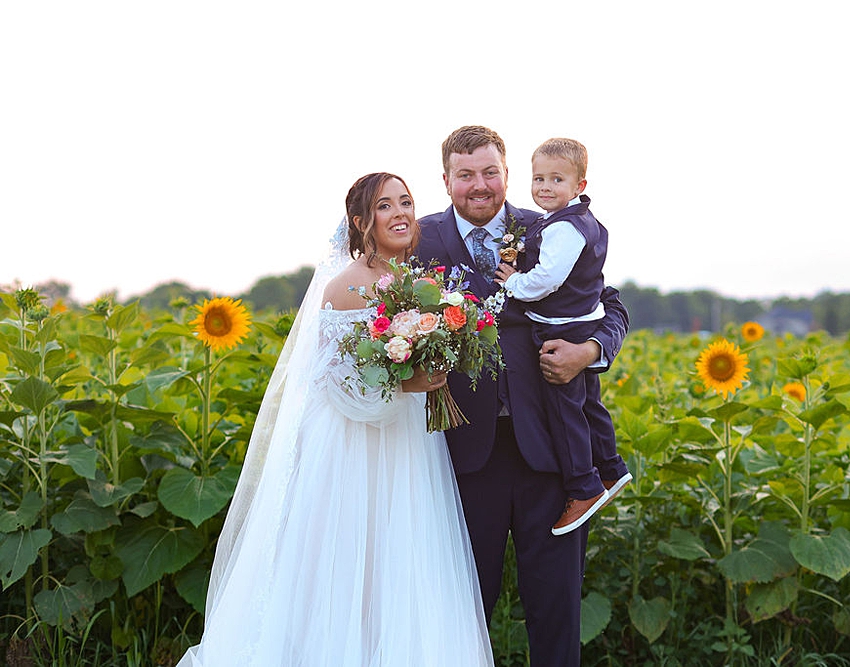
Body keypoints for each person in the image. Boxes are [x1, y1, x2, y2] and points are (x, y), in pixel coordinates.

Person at [177, 173, 494, 667]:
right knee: (348, 563)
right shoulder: (345, 286)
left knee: (401, 559)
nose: (401, 214)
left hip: (406, 441)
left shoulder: (420, 284)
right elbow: (334, 383)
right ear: (361, 221)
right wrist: (407, 383)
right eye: (386, 206)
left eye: (406, 202)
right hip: (352, 445)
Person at [416, 126, 630, 667]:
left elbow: (613, 308)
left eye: (490, 172)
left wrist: (590, 353)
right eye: (466, 175)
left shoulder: (554, 226)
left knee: (556, 609)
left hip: (553, 452)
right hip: (461, 456)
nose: (480, 185)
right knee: (463, 608)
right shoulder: (418, 240)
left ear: (507, 174)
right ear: (447, 180)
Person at [494, 137, 631, 536]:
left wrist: (515, 283)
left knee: (565, 410)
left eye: (556, 179)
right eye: (539, 178)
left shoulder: (563, 229)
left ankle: (584, 486)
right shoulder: (568, 222)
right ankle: (611, 469)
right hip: (579, 319)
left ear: (580, 186)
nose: (545, 187)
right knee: (589, 405)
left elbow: (548, 279)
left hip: (563, 331)